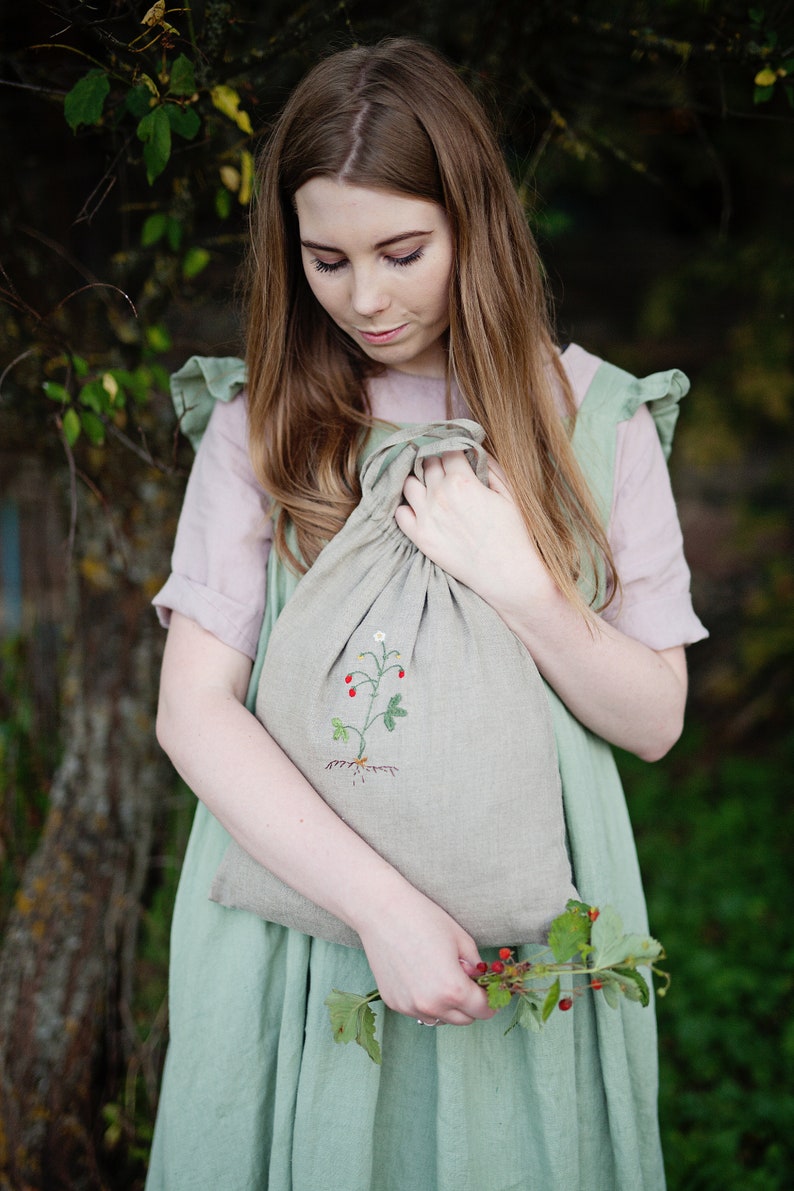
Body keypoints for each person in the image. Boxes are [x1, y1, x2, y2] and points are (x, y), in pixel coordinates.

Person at [147, 37, 707, 1191]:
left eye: (402, 252)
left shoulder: (598, 421)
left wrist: (518, 582)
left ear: (474, 225)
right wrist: (382, 913)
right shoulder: (258, 425)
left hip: (529, 925)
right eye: (327, 259)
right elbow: (192, 712)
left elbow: (652, 719)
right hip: (297, 934)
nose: (366, 298)